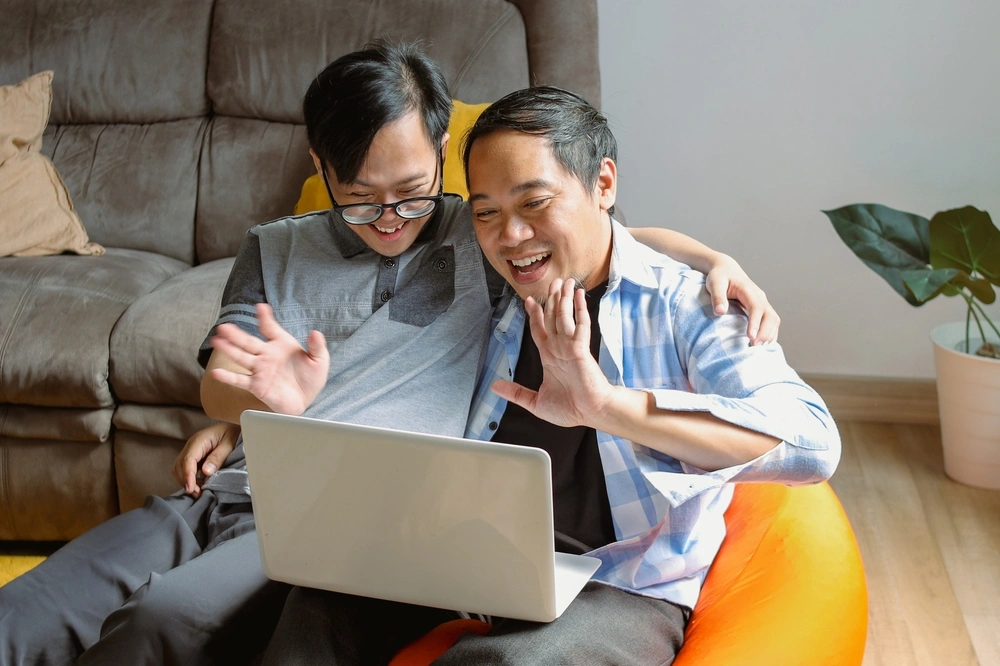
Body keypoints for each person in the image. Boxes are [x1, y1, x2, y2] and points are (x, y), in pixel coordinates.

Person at [0, 42, 775, 666]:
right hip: (224, 494)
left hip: (336, 520)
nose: (391, 217)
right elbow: (218, 388)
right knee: (25, 615)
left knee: (159, 621)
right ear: (319, 167)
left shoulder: (478, 234)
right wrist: (256, 409)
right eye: (360, 196)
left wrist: (712, 258)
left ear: (442, 150)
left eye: (412, 188)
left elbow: (604, 240)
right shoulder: (272, 247)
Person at [253, 86, 841, 665]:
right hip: (470, 563)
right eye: (485, 212)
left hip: (622, 588)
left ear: (603, 184)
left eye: (534, 203)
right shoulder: (491, 293)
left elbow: (813, 442)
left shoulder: (691, 306)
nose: (510, 237)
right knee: (315, 609)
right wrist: (242, 420)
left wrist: (607, 406)